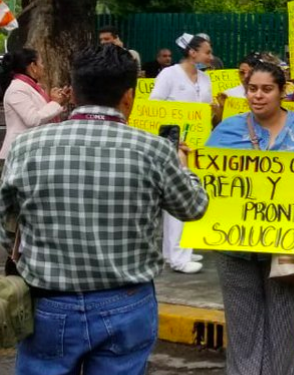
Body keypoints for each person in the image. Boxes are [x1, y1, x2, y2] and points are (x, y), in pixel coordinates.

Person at [0, 45, 208, 375]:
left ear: (75, 90)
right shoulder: (154, 150)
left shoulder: (27, 146)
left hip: (48, 302)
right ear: (129, 96)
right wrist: (183, 165)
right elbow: (194, 207)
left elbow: (6, 221)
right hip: (126, 303)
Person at [206, 62, 294, 375]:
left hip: (289, 248)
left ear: (283, 91)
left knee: (285, 325)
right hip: (235, 248)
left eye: (266, 89)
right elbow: (207, 180)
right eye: (252, 89)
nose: (258, 96)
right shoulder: (226, 131)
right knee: (241, 326)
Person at [151, 32, 217, 275]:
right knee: (178, 196)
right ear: (193, 52)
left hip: (197, 145)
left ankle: (179, 250)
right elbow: (155, 105)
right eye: (207, 52)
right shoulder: (169, 74)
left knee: (190, 194)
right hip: (174, 146)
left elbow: (205, 112)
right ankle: (178, 257)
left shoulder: (205, 78)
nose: (210, 56)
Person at [0, 49, 68, 167]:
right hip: (18, 152)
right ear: (33, 66)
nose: (43, 67)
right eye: (41, 63)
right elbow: (33, 119)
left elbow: (41, 113)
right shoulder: (17, 89)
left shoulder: (30, 87)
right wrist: (55, 103)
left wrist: (56, 101)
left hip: (30, 150)